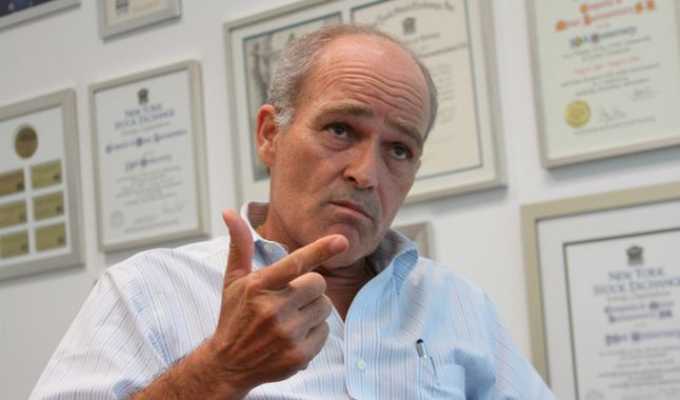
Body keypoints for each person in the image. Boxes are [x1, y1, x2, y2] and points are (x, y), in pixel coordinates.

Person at [31, 24, 555, 399]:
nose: (366, 173)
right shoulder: (148, 291)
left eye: (399, 149)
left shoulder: (457, 304)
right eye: (340, 130)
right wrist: (219, 371)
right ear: (270, 134)